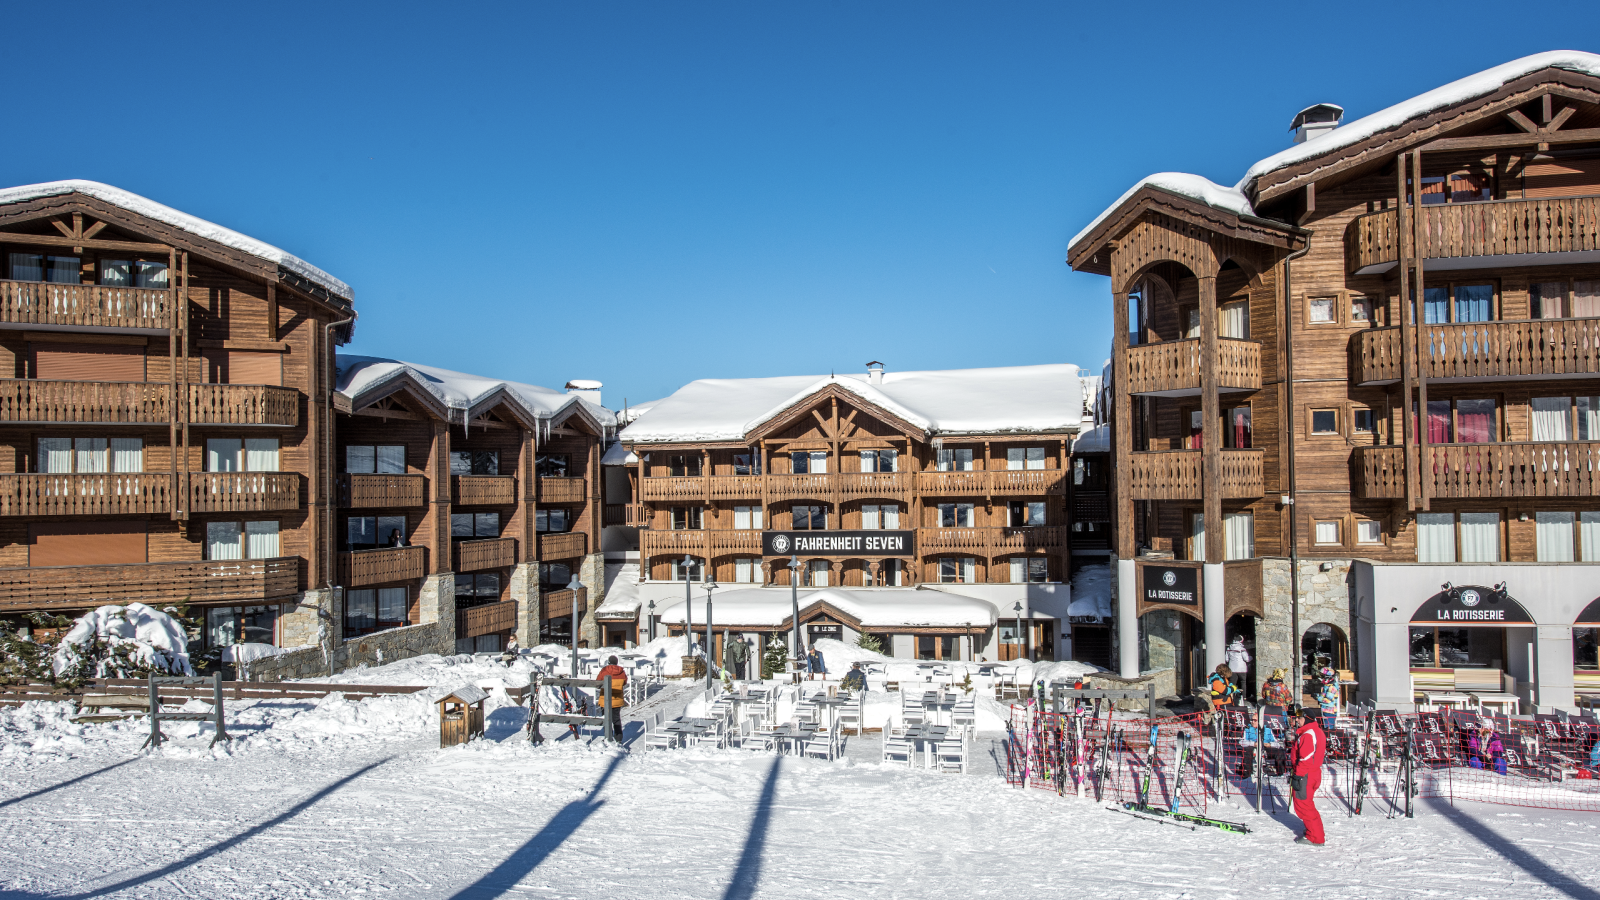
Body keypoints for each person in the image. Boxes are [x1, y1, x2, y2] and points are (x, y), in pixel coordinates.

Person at [1290, 705, 1327, 845]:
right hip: (1312, 773)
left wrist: (1297, 776)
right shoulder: (1315, 731)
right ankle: (1313, 832)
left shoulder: (1308, 734)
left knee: (1303, 806)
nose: (1297, 721)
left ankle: (1316, 837)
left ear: (1306, 719)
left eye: (1299, 718)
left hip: (1305, 774)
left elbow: (1306, 758)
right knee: (1306, 804)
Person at [596, 655, 627, 742]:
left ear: (609, 662)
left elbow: (598, 682)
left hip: (605, 699)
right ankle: (619, 739)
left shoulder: (604, 670)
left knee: (606, 718)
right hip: (617, 699)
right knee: (616, 719)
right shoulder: (621, 672)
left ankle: (608, 737)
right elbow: (624, 682)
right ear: (617, 662)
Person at [1315, 666, 1341, 730]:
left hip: (1330, 712)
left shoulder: (1332, 687)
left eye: (1323, 675)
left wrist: (1318, 698)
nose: (1321, 677)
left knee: (1329, 730)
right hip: (1325, 710)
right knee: (1324, 728)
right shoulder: (1326, 686)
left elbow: (1328, 700)